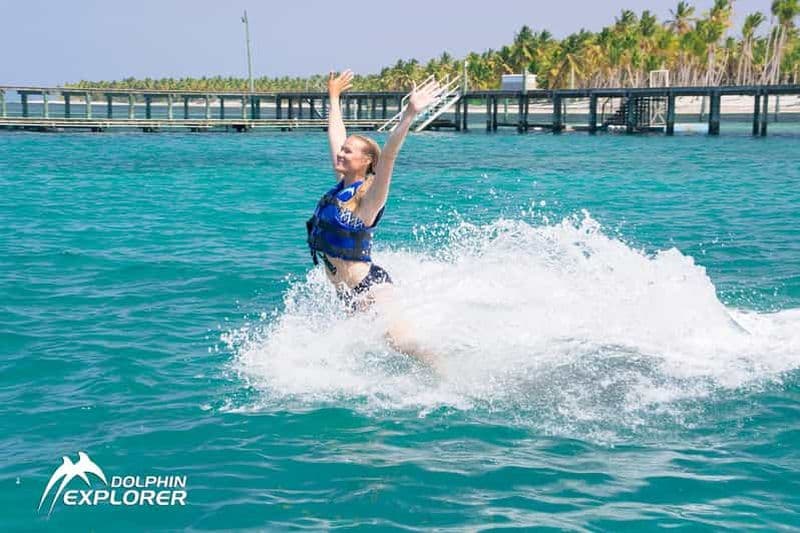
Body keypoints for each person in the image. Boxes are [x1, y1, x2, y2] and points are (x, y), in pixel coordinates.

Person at [306, 69, 440, 363]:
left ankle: (451, 378)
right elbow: (336, 133)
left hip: (370, 290)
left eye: (348, 152)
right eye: (341, 151)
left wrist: (409, 114)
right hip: (347, 296)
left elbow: (389, 154)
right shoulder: (341, 188)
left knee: (407, 346)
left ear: (366, 161)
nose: (340, 154)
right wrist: (334, 97)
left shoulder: (369, 199)